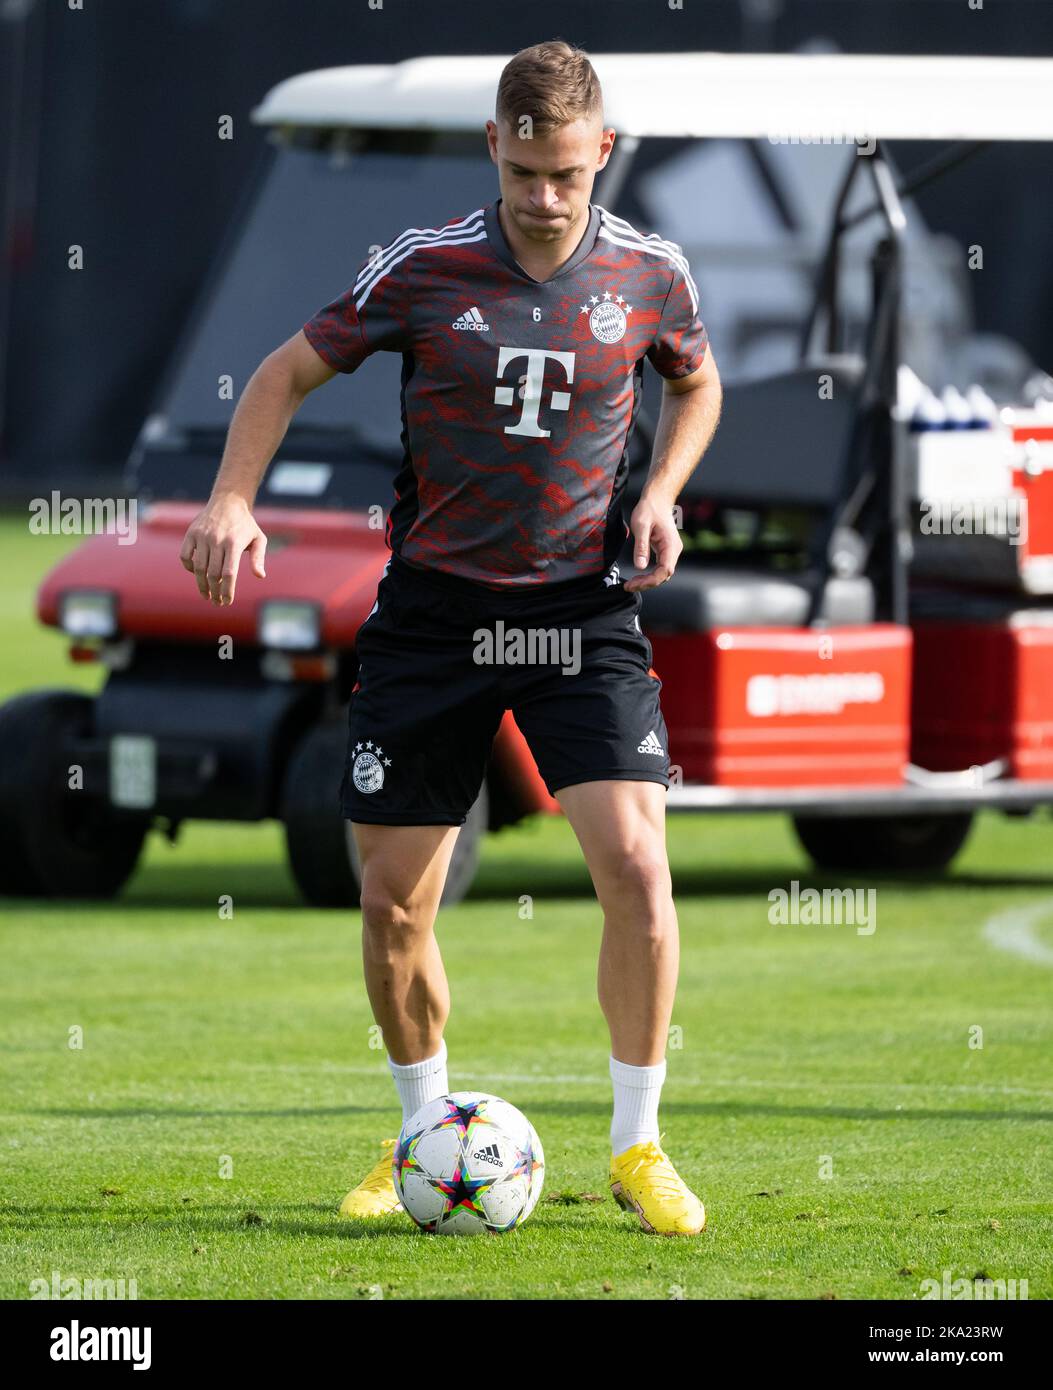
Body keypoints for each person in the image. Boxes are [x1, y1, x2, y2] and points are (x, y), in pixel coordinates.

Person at [179, 40, 722, 1236]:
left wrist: (662, 491)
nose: (543, 197)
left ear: (603, 158)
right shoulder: (422, 270)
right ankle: (423, 1134)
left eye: (567, 175)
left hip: (581, 607)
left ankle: (637, 1146)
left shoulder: (650, 274)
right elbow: (282, 373)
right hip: (434, 615)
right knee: (393, 905)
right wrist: (230, 499)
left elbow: (698, 381)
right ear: (494, 146)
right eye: (525, 170)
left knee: (636, 867)